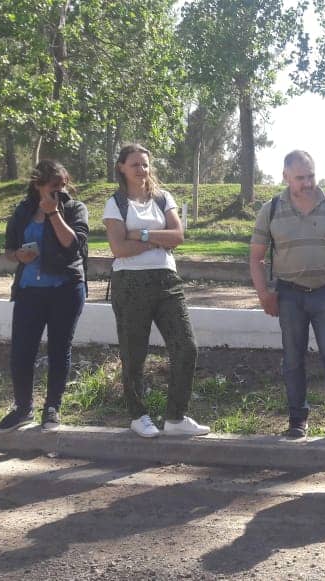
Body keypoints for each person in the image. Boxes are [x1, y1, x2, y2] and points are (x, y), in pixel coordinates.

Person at [249, 150, 325, 443]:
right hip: (289, 295)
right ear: (285, 176)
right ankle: (297, 420)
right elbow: (256, 258)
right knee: (292, 359)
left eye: (310, 175)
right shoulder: (271, 209)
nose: (307, 182)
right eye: (300, 177)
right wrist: (264, 294)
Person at [103, 144, 209, 439]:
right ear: (121, 168)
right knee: (134, 354)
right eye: (135, 164)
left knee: (186, 347)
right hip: (130, 284)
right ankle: (138, 415)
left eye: (146, 165)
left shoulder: (163, 199)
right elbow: (119, 248)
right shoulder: (115, 203)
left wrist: (143, 235)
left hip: (167, 282)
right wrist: (156, 241)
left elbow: (177, 236)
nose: (142, 170)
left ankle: (176, 417)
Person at [0, 160, 89, 433]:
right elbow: (9, 249)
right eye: (53, 186)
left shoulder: (73, 208)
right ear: (38, 185)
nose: (59, 191)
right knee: (22, 352)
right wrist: (18, 256)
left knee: (59, 349)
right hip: (28, 291)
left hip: (65, 289)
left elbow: (74, 246)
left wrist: (53, 214)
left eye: (63, 185)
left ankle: (52, 408)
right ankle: (23, 407)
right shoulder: (23, 210)